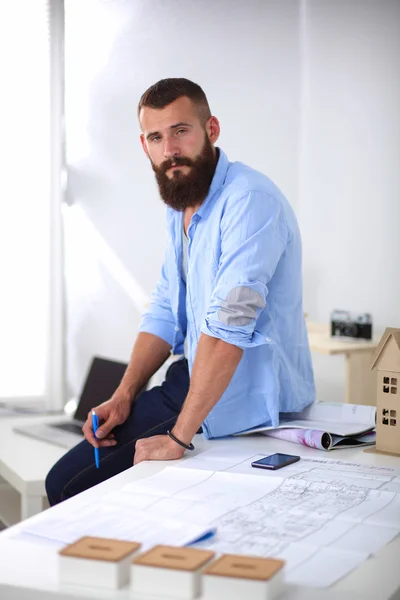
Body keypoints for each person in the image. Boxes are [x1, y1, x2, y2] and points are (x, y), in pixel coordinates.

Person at [46, 78, 315, 506]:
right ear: (145, 145)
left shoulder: (249, 200)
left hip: (248, 390)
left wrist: (178, 437)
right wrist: (124, 394)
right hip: (192, 375)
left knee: (69, 485)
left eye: (181, 131)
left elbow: (231, 324)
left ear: (212, 129)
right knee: (70, 480)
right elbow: (165, 313)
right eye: (157, 137)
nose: (170, 149)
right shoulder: (183, 203)